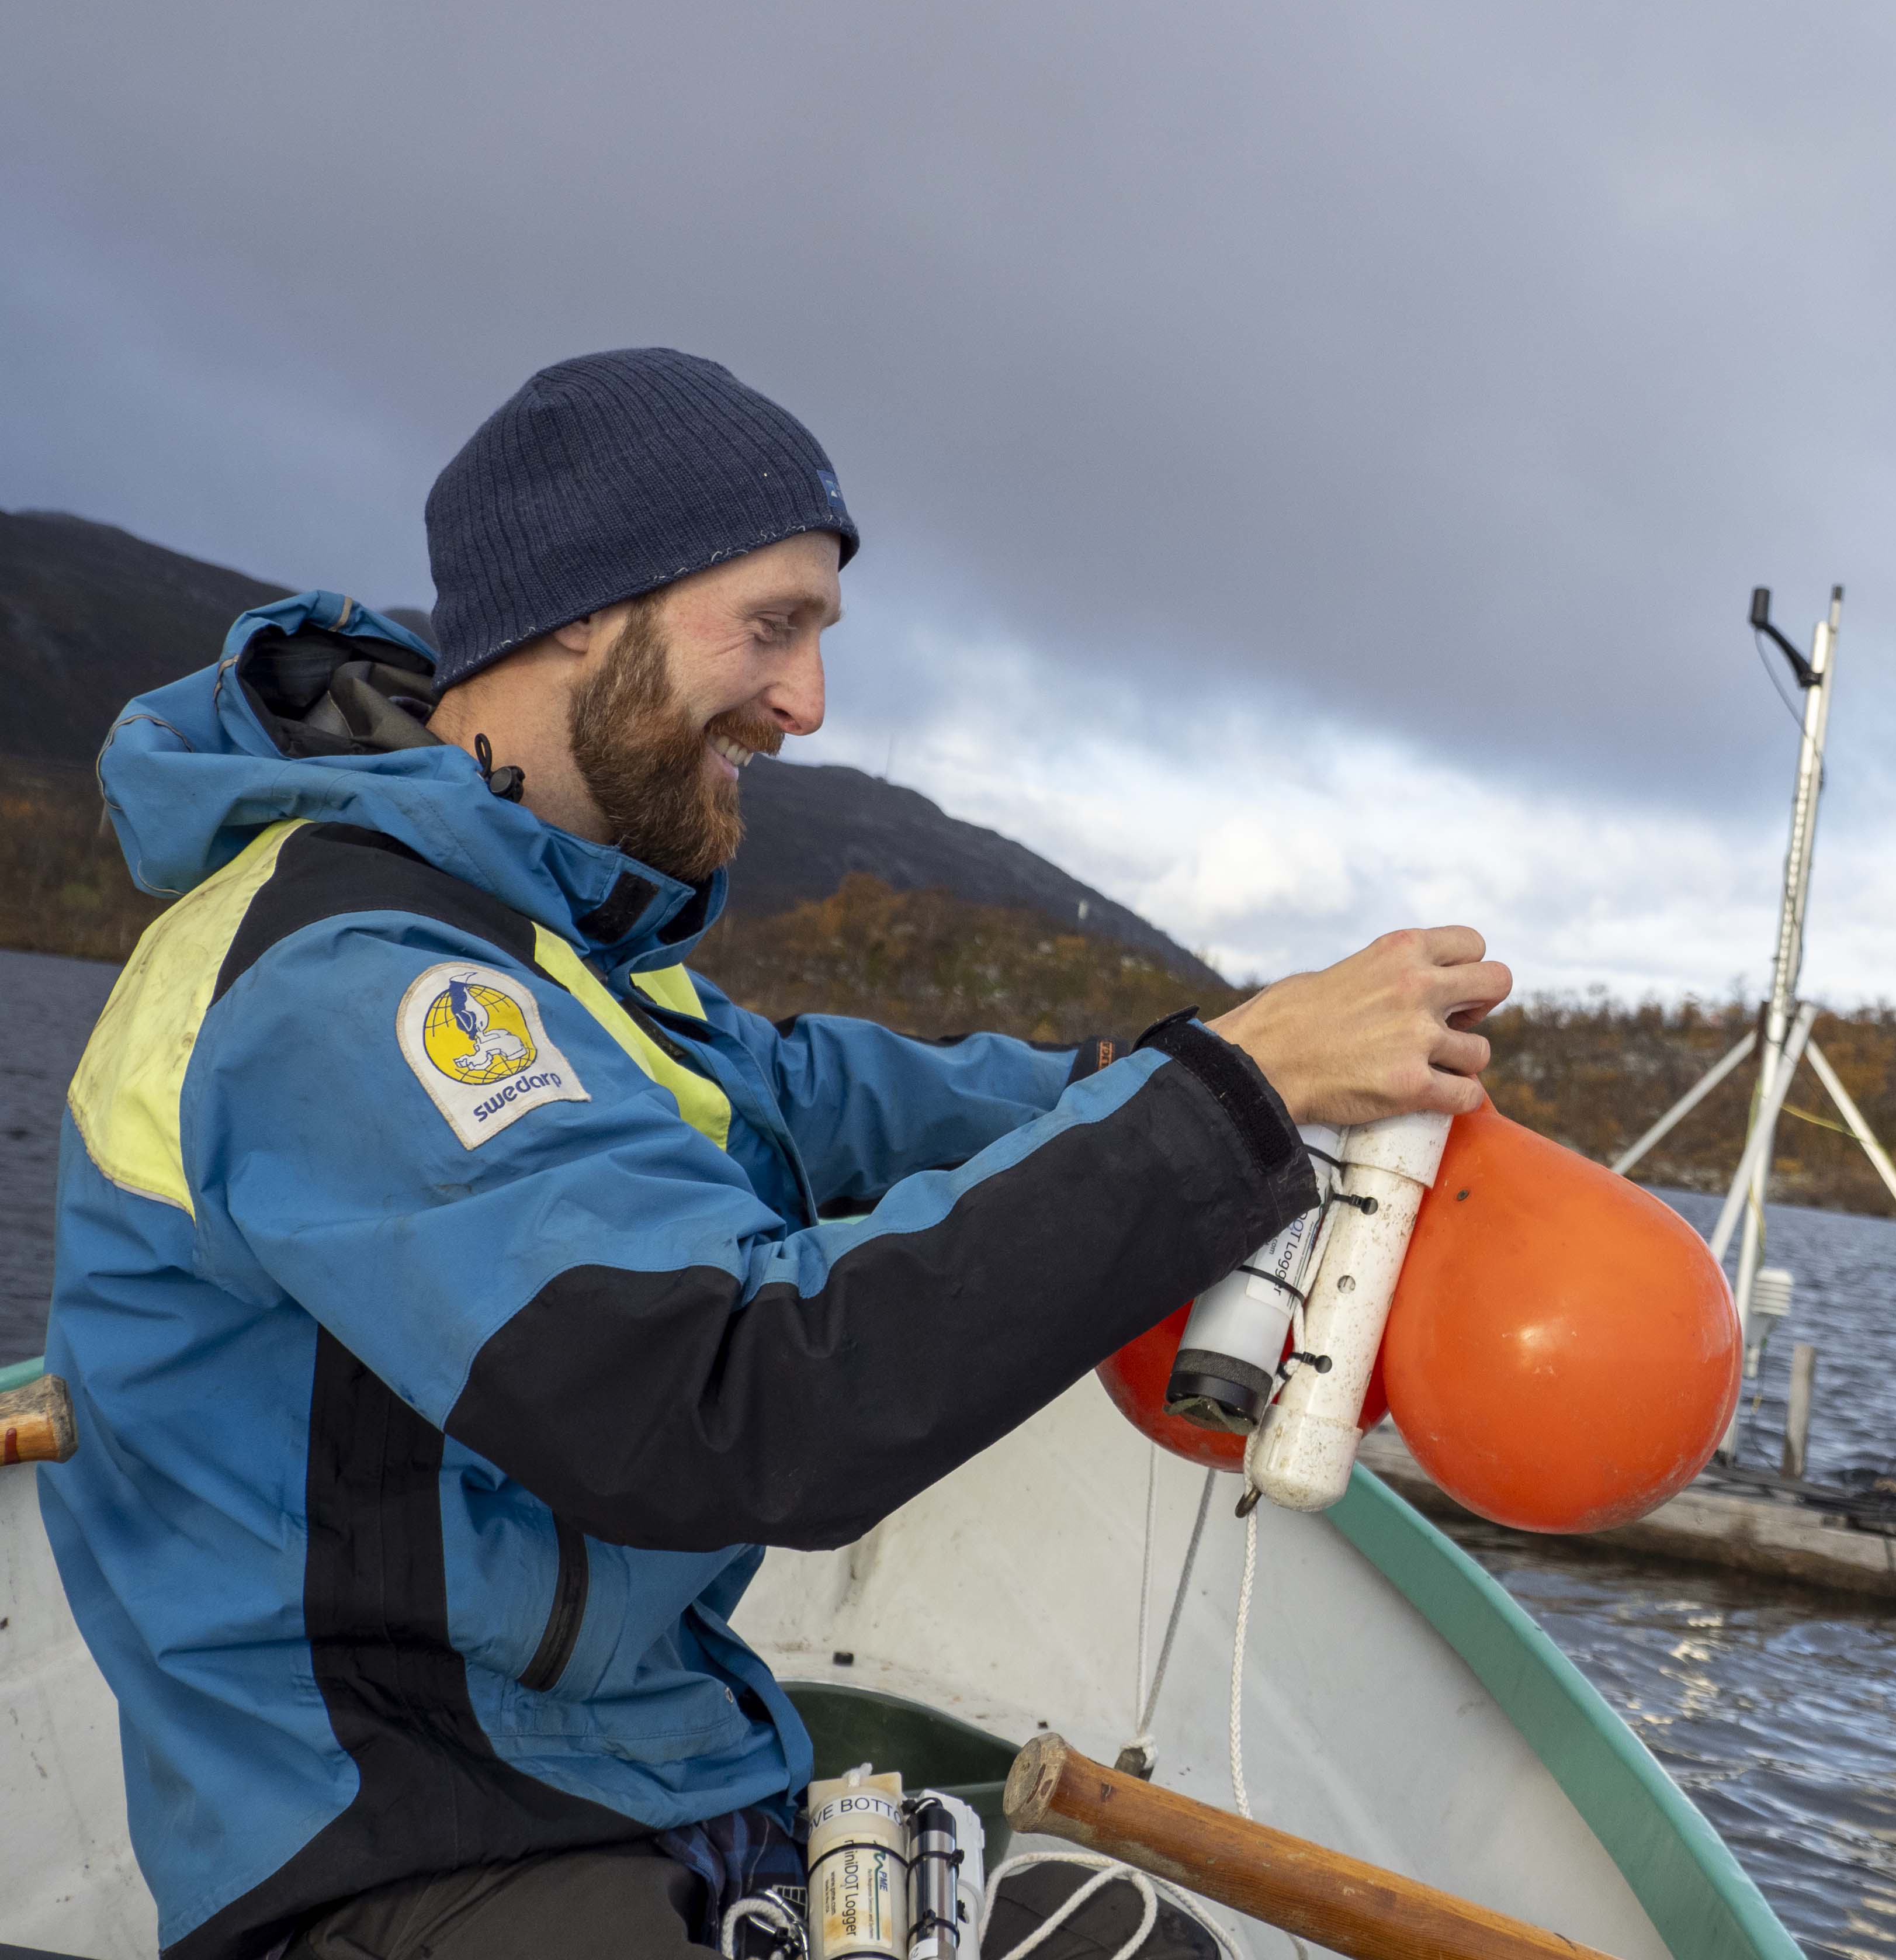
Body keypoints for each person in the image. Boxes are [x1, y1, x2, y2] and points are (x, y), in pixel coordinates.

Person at [43, 348, 1509, 1960]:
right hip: (406, 1849)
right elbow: (731, 1407)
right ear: (579, 610)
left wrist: (1202, 1074)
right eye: (771, 626)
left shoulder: (559, 952)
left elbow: (817, 1100)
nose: (808, 702)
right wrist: (1230, 1093)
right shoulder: (352, 985)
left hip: (638, 1776)